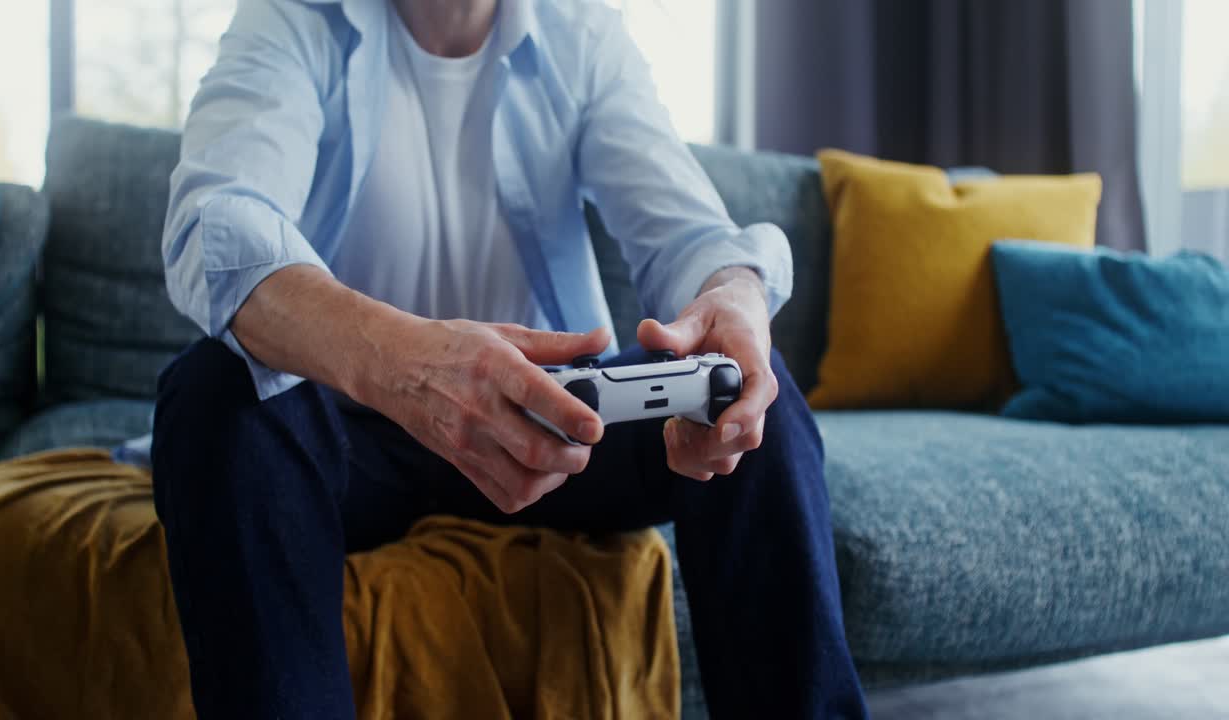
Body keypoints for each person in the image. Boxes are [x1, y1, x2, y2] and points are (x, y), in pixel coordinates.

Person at [152, 0, 868, 717]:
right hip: (345, 445)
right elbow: (218, 226)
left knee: (744, 390)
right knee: (216, 387)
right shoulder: (292, 19)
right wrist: (407, 367)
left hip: (551, 431)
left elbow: (688, 234)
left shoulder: (581, 33)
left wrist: (734, 292)